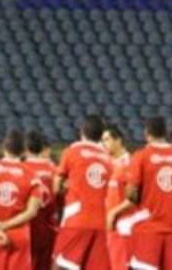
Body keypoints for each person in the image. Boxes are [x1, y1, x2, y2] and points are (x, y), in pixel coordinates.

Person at [123, 116, 172, 270]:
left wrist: (142, 197)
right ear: (165, 133)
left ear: (147, 133)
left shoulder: (141, 156)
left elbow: (131, 193)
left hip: (148, 228)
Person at [0, 130, 46, 270]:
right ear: (24, 150)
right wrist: (6, 225)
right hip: (19, 235)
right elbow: (32, 212)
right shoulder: (32, 175)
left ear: (4, 146)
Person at [54, 114, 112, 270]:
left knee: (60, 264)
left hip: (77, 218)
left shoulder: (73, 151)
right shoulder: (108, 158)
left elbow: (56, 187)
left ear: (82, 132)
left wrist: (68, 186)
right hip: (102, 221)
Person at [23, 130, 58, 270]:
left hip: (27, 224)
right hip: (49, 225)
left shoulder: (22, 169)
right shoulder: (53, 169)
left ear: (26, 149)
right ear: (44, 148)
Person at [101, 125, 132, 270]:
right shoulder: (108, 165)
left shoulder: (130, 164)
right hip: (108, 227)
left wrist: (115, 213)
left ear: (118, 140)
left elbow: (135, 197)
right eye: (102, 140)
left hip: (122, 226)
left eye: (107, 139)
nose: (104, 144)